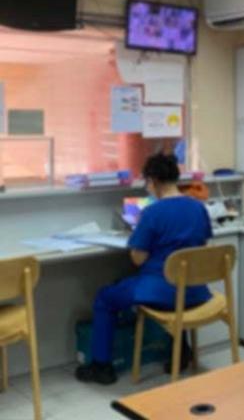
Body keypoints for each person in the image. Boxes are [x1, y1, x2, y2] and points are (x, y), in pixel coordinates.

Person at [76, 153, 213, 385]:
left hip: (161, 293)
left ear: (153, 181)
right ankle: (181, 352)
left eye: (147, 183)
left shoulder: (151, 213)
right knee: (176, 285)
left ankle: (101, 366)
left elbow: (137, 259)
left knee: (105, 298)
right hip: (195, 291)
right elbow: (202, 245)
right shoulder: (198, 208)